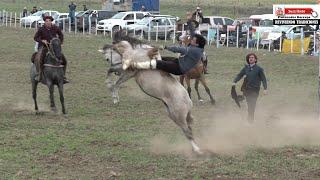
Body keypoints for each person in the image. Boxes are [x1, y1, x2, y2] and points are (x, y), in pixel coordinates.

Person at [123, 34, 206, 76]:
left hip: (179, 69)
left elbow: (180, 49)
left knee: (159, 63)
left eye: (193, 40)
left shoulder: (195, 51)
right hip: (178, 62)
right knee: (161, 58)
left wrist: (166, 47)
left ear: (197, 44)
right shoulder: (196, 48)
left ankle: (134, 65)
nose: (191, 40)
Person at [232, 53, 267, 123]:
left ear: (255, 59)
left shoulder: (259, 69)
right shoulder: (246, 68)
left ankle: (250, 120)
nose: (251, 58)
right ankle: (250, 119)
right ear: (248, 59)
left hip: (255, 90)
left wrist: (265, 89)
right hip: (247, 90)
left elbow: (263, 79)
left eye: (252, 57)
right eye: (249, 58)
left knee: (252, 105)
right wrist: (234, 81)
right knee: (249, 104)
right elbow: (239, 75)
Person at [33, 16, 68, 83]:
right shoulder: (41, 29)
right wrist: (42, 40)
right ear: (44, 22)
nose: (48, 22)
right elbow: (35, 37)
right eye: (46, 21)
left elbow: (61, 35)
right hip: (44, 47)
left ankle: (63, 76)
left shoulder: (55, 28)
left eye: (49, 21)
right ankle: (39, 74)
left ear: (51, 21)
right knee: (40, 58)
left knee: (64, 60)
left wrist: (60, 42)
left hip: (54, 47)